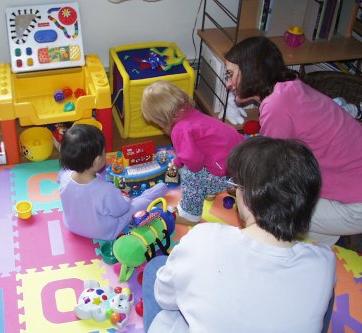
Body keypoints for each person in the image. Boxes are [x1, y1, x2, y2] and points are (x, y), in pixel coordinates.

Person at [142, 136, 336, 333]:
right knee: (326, 292)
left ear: (248, 196)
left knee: (156, 268)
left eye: (237, 186)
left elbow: (165, 298)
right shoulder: (324, 261)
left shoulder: (202, 239)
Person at [224, 36, 362, 246]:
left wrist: (241, 185)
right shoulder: (290, 87)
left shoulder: (276, 105)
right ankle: (323, 243)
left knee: (268, 212)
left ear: (251, 71)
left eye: (231, 74)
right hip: (351, 189)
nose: (228, 83)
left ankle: (324, 242)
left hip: (355, 204)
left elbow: (266, 170)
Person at [141, 80, 245, 224]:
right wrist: (177, 161)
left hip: (230, 173)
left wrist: (184, 166)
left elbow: (194, 162)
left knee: (190, 175)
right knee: (191, 165)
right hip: (244, 159)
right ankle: (210, 190)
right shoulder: (193, 114)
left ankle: (189, 214)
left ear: (162, 119)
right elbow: (195, 149)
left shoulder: (179, 130)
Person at [58, 124, 168, 240]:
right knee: (137, 203)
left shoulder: (64, 177)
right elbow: (121, 210)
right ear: (97, 161)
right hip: (105, 231)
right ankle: (160, 189)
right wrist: (125, 197)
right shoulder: (105, 190)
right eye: (104, 152)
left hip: (73, 226)